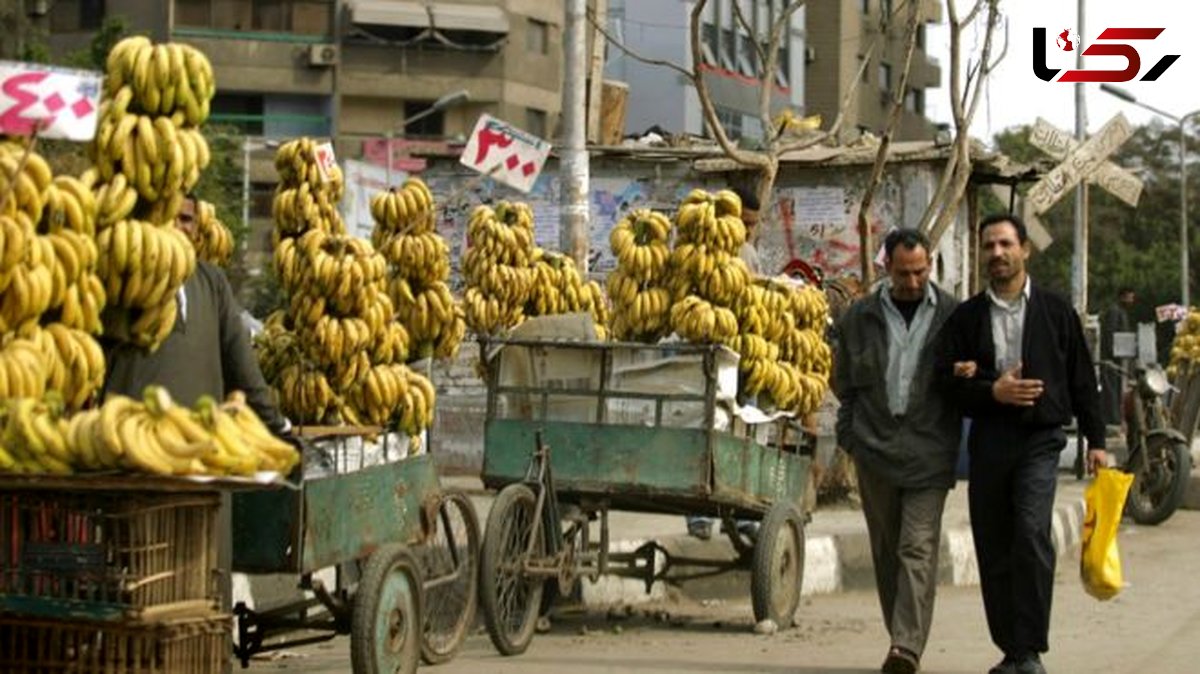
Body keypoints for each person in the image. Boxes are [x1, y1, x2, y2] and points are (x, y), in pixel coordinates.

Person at [938, 214, 1107, 674]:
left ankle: (1029, 650)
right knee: (993, 544)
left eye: (1005, 244)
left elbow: (1082, 379)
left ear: (1025, 249)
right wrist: (991, 391)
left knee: (1031, 533)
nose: (997, 253)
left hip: (1040, 439)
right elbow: (945, 383)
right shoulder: (967, 318)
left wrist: (1096, 440)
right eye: (989, 245)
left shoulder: (1055, 312)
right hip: (989, 440)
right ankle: (1011, 650)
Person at [832, 229, 961, 674]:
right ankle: (900, 639)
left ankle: (905, 648)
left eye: (920, 272)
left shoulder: (953, 316)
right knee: (887, 552)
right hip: (875, 451)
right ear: (887, 268)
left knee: (916, 549)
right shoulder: (859, 317)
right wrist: (850, 437)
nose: (912, 282)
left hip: (929, 453)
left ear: (931, 267)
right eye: (904, 273)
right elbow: (843, 384)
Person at [687, 184, 762, 542]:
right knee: (705, 432)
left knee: (735, 430)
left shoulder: (748, 254)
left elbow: (754, 303)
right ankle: (701, 513)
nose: (747, 230)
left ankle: (741, 512)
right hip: (701, 350)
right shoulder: (693, 251)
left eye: (752, 224)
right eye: (744, 222)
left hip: (737, 354)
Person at [1099, 287, 1136, 426]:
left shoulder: (1121, 312)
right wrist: (1114, 353)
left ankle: (1115, 418)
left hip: (1119, 358)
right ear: (1122, 297)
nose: (1131, 301)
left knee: (1116, 389)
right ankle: (1111, 419)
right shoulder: (1114, 312)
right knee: (1111, 390)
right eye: (1129, 297)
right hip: (1112, 359)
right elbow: (1111, 335)